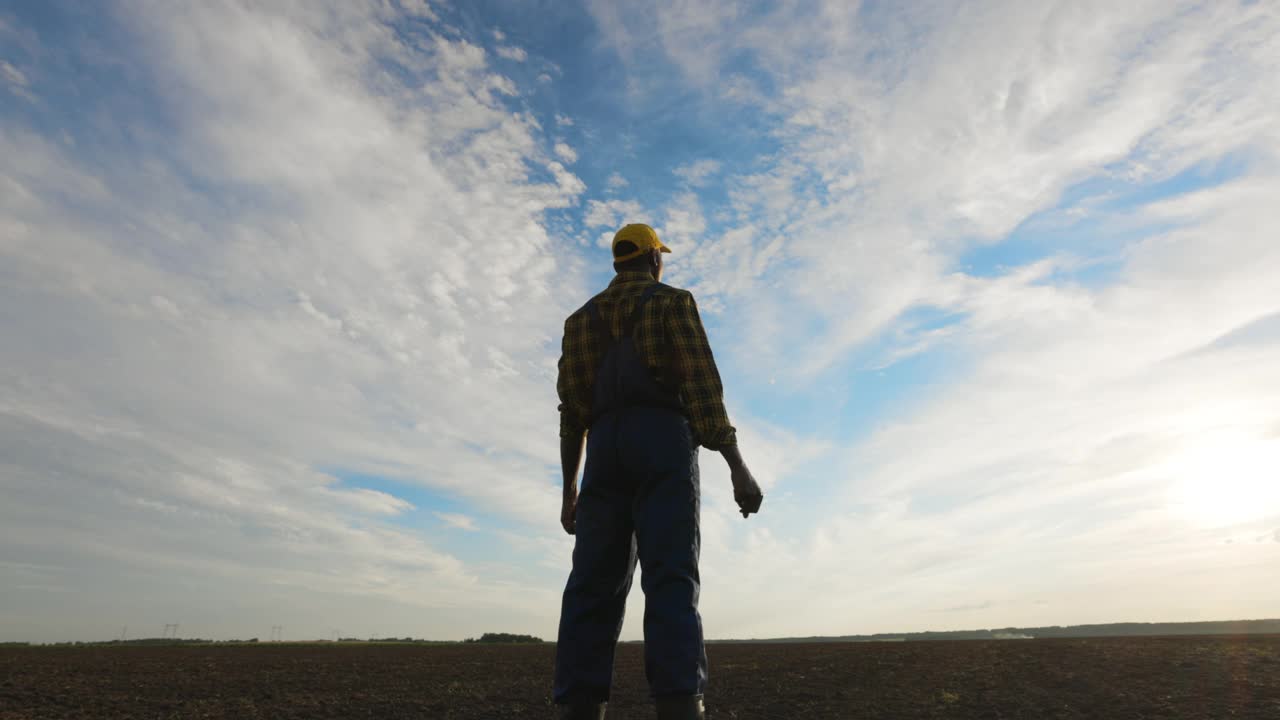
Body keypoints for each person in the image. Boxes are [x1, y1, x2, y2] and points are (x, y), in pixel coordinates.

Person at [553, 223, 764, 720]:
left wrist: (568, 490)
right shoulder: (673, 302)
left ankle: (578, 709)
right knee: (670, 580)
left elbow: (572, 414)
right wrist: (737, 465)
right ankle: (679, 705)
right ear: (653, 260)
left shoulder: (579, 321)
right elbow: (704, 389)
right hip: (663, 445)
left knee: (590, 588)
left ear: (617, 263)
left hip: (603, 452)